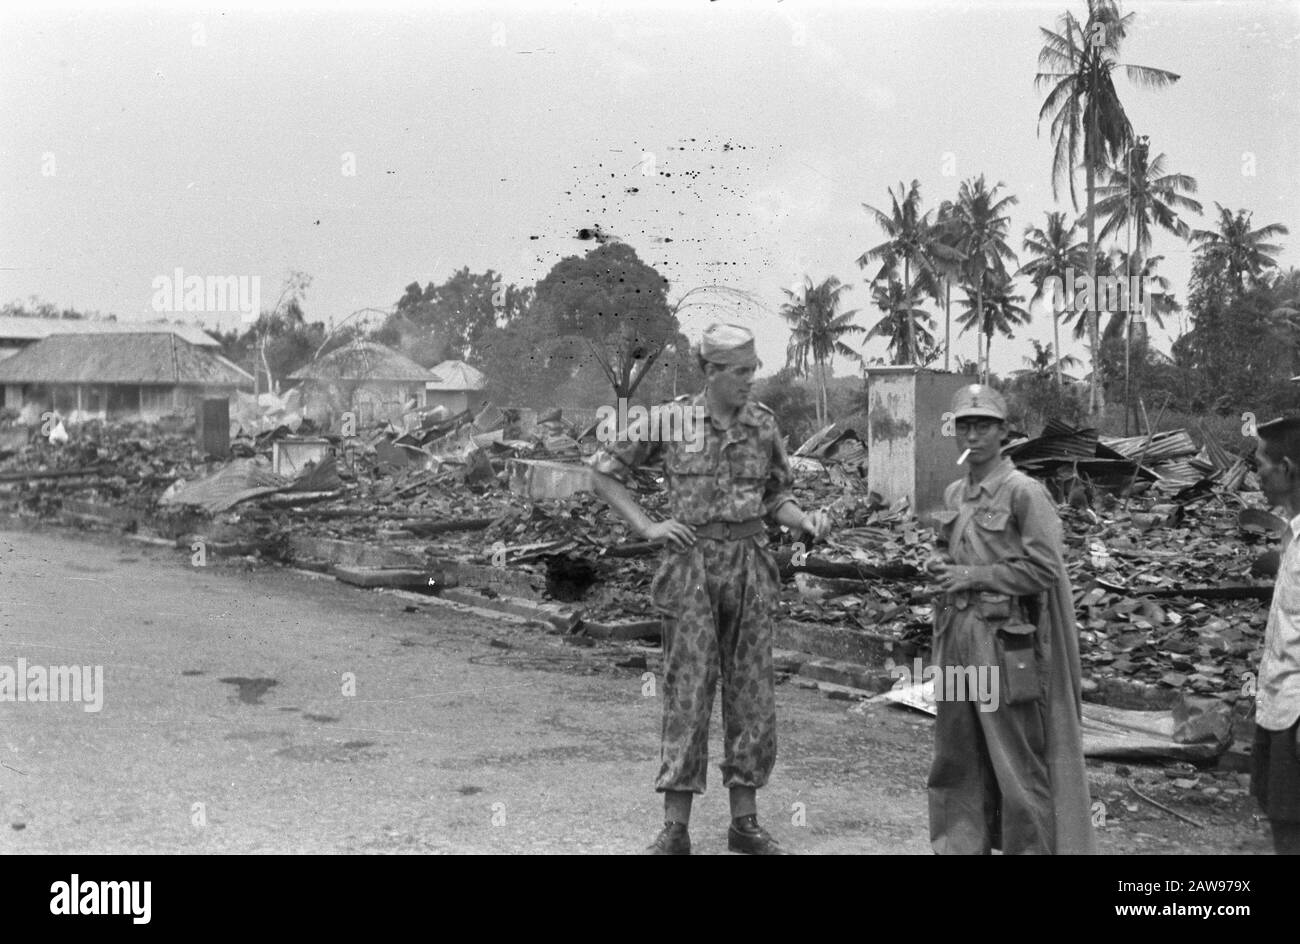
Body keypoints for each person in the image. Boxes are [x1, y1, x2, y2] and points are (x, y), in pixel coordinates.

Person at [588, 324, 831, 855]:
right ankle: (675, 828)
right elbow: (603, 474)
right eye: (740, 372)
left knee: (751, 696)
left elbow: (775, 497)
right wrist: (648, 527)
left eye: (752, 370)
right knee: (687, 694)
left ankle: (744, 824)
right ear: (712, 372)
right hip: (691, 572)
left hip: (750, 569)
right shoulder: (671, 420)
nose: (749, 381)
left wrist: (803, 521)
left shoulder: (764, 426)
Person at [924, 384, 1095, 854]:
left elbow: (1044, 570)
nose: (972, 435)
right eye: (964, 425)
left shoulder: (1024, 492)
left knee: (1016, 763)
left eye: (983, 425)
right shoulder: (956, 491)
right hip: (956, 635)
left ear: (1003, 432)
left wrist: (971, 575)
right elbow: (954, 551)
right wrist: (942, 566)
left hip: (1003, 642)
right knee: (956, 759)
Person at [1250, 416, 1300, 854]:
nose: (1258, 475)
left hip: (1296, 713)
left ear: (1286, 468)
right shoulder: (1292, 535)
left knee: (1290, 830)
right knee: (1280, 818)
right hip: (1278, 705)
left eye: (1262, 464)